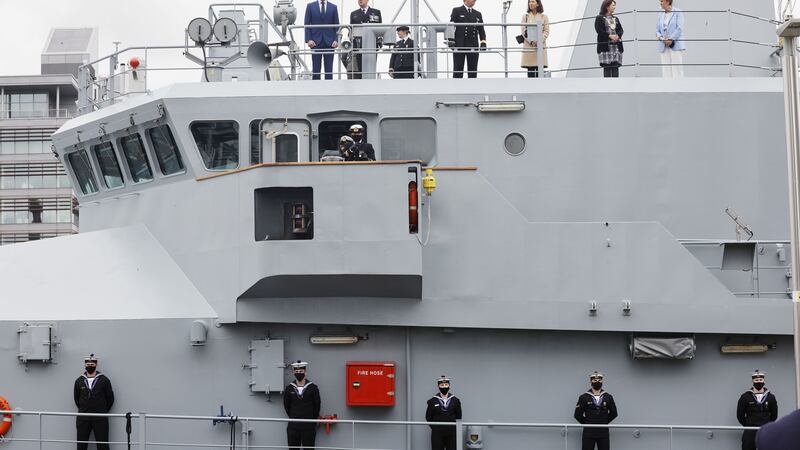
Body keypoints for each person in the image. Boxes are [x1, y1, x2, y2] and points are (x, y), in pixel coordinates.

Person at [73, 354, 114, 450]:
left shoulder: (104, 380)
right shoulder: (79, 381)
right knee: (81, 446)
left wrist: (101, 410)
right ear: (85, 365)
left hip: (100, 418)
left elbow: (110, 399)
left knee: (103, 446)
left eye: (92, 364)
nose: (90, 366)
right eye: (88, 364)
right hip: (83, 418)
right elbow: (76, 399)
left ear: (96, 365)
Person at [574, 371, 618, 450]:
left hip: (603, 432)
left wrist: (604, 422)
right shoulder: (584, 397)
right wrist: (588, 423)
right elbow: (577, 415)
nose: (597, 382)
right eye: (594, 380)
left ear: (602, 381)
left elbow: (614, 413)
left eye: (599, 380)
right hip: (589, 432)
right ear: (590, 381)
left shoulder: (608, 397)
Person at [284, 361, 321, 450]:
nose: (299, 374)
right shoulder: (289, 388)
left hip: (308, 425)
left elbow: (317, 405)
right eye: (296, 372)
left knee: (309, 448)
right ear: (294, 373)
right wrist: (294, 416)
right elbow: (286, 406)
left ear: (305, 372)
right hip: (293, 425)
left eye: (301, 372)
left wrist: (312, 419)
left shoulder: (313, 388)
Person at [737, 370, 778, 450]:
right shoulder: (745, 397)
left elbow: (774, 415)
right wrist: (749, 425)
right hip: (750, 430)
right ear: (752, 381)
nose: (758, 382)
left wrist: (767, 425)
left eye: (760, 380)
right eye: (756, 380)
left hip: (765, 430)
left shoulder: (771, 397)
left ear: (764, 381)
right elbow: (740, 415)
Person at [449, 0, 487, 78]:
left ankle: (472, 88)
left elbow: (481, 29)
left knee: (472, 71)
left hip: (473, 45)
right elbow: (451, 26)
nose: (474, 1)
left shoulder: (477, 14)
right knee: (458, 70)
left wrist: (483, 42)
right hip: (459, 44)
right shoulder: (457, 10)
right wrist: (451, 40)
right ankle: (456, 88)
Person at [304, 0, 340, 80]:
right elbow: (306, 24)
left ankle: (329, 90)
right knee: (316, 68)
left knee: (329, 69)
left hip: (330, 42)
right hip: (315, 42)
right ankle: (316, 90)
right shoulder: (310, 6)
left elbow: (337, 26)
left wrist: (336, 40)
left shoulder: (333, 7)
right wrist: (308, 39)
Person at [425, 376, 462, 450]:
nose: (444, 387)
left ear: (449, 386)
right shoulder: (433, 401)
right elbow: (428, 417)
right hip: (437, 432)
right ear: (438, 386)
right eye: (442, 385)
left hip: (451, 432)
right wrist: (436, 427)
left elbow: (459, 416)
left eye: (446, 385)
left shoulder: (455, 400)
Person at [349, 0, 382, 79]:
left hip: (372, 46)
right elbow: (351, 31)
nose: (360, 0)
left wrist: (379, 42)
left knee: (371, 68)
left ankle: (370, 86)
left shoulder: (376, 12)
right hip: (358, 46)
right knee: (360, 69)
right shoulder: (354, 14)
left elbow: (380, 29)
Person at [656, 0, 686, 78]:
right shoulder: (660, 14)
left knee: (677, 71)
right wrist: (662, 39)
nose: (660, 3)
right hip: (663, 45)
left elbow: (679, 28)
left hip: (675, 45)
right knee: (666, 71)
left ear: (668, 1)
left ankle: (678, 89)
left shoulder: (678, 12)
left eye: (662, 1)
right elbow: (657, 30)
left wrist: (670, 39)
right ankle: (667, 89)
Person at [520, 0, 549, 78]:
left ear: (537, 4)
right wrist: (531, 40)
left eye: (533, 1)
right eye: (529, 2)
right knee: (531, 72)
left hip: (540, 46)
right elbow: (523, 31)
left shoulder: (544, 17)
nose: (530, 3)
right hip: (529, 47)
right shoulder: (525, 16)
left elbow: (546, 31)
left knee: (541, 73)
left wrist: (539, 40)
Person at [595, 0, 623, 78]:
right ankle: (607, 88)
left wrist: (618, 36)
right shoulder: (599, 18)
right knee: (607, 68)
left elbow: (621, 30)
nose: (615, 7)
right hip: (605, 47)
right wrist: (609, 36)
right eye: (613, 5)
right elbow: (599, 30)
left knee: (615, 68)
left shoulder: (616, 18)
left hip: (616, 46)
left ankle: (616, 88)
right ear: (607, 6)